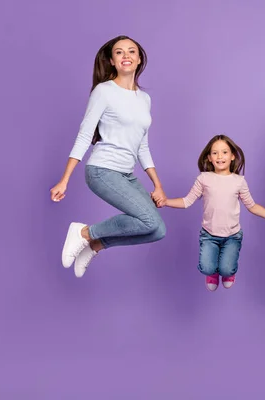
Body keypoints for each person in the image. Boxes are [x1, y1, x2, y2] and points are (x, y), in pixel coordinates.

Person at [50, 35, 167, 278]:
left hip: (126, 174)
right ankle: (83, 233)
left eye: (131, 51)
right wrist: (65, 179)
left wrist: (157, 184)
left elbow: (141, 145)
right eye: (119, 52)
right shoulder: (104, 92)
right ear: (112, 61)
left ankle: (94, 245)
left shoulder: (145, 99)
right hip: (102, 170)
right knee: (146, 220)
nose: (126, 55)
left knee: (157, 230)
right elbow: (84, 136)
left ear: (139, 59)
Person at [162, 135, 265, 291]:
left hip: (232, 237)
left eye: (224, 152)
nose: (220, 156)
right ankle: (212, 273)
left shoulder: (239, 181)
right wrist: (166, 201)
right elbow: (187, 201)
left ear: (233, 156)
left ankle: (228, 273)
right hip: (209, 236)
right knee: (207, 267)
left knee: (227, 269)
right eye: (215, 153)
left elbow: (252, 206)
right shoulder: (204, 178)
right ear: (209, 158)